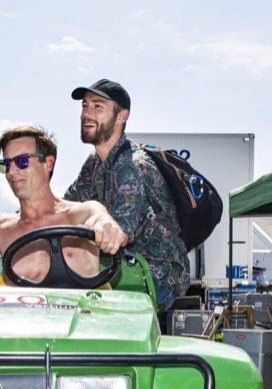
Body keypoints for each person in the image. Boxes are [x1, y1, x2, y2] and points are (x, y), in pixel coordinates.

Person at [64, 79, 189, 312]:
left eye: (98, 106)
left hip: (155, 275)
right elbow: (65, 207)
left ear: (122, 116)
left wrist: (93, 228)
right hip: (125, 267)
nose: (87, 113)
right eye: (85, 106)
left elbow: (118, 234)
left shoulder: (133, 166)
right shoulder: (94, 164)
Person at [0, 125, 127, 283]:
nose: (12, 171)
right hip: (22, 318)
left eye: (21, 161)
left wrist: (107, 228)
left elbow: (100, 218)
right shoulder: (0, 228)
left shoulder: (81, 213)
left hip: (81, 316)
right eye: (6, 164)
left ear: (48, 163)